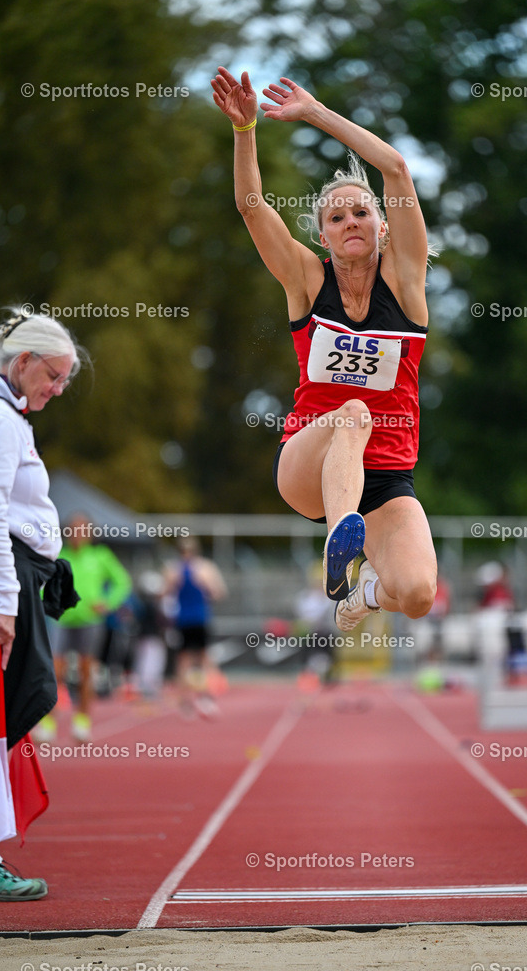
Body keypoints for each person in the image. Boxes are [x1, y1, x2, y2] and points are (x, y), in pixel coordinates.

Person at [210, 66, 438, 632]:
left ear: (383, 228)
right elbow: (251, 206)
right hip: (309, 465)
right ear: (323, 237)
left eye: (361, 211)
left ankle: (362, 594)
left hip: (384, 477)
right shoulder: (308, 284)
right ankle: (341, 545)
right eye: (336, 216)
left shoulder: (406, 286)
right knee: (353, 412)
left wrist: (313, 112)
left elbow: (396, 168)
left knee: (418, 593)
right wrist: (246, 132)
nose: (350, 220)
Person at [0, 307, 84, 901]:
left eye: (65, 381)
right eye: (52, 376)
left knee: (1, 725)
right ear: (21, 362)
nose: (57, 389)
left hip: (19, 580)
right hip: (4, 589)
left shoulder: (8, 415)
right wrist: (3, 599)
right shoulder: (0, 419)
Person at [41, 513, 132, 742]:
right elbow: (43, 585)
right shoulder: (59, 555)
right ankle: (48, 721)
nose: (77, 534)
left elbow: (122, 582)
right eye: (72, 529)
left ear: (90, 533)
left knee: (85, 672)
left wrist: (108, 602)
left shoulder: (101, 556)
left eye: (82, 529)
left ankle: (82, 722)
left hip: (90, 621)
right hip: (61, 621)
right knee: (55, 672)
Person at [163, 537, 227, 716]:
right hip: (189, 619)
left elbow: (218, 593)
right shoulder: (198, 568)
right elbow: (218, 593)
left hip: (194, 619)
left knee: (196, 659)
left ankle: (200, 699)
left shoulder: (177, 569)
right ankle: (191, 701)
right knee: (192, 660)